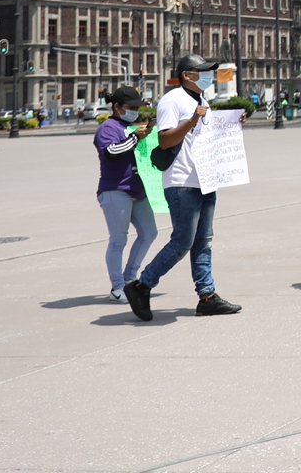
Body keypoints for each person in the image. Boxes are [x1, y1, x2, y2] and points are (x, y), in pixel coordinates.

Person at [125, 54, 242, 321]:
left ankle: (207, 296)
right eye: (202, 71)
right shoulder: (172, 100)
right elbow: (165, 140)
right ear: (187, 74)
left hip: (205, 180)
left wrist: (233, 126)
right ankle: (142, 286)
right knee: (182, 242)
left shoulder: (203, 101)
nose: (208, 76)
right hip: (182, 181)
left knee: (204, 242)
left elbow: (205, 138)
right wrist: (190, 121)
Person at [93, 86, 158, 302]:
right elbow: (111, 151)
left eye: (137, 108)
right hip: (115, 190)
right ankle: (117, 288)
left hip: (137, 189)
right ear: (117, 107)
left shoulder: (132, 126)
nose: (135, 111)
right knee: (118, 240)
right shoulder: (107, 128)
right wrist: (135, 139)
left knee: (149, 233)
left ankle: (130, 278)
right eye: (131, 108)